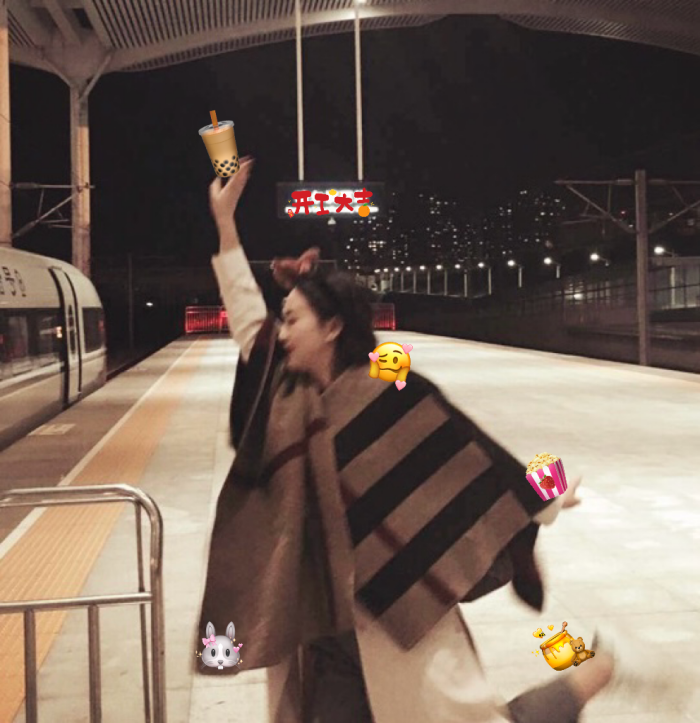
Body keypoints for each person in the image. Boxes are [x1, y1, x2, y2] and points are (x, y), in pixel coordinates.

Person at [195, 157, 687, 723]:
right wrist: (225, 224)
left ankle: (601, 667)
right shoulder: (290, 399)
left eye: (292, 320)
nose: (280, 333)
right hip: (324, 621)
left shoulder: (384, 392)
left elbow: (461, 451)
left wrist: (541, 498)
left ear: (331, 328)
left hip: (397, 610)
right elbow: (246, 320)